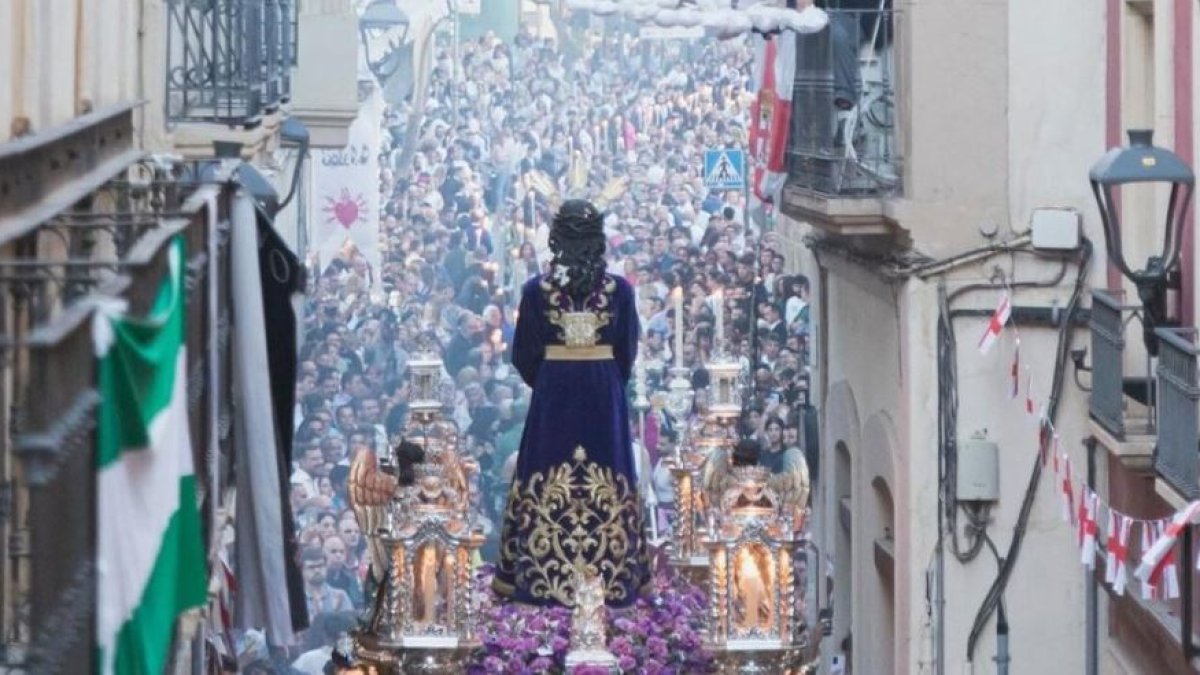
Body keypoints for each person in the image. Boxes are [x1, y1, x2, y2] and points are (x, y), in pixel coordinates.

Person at [493, 199, 651, 608]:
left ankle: (540, 577)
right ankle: (612, 574)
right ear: (598, 242)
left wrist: (552, 378)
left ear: (555, 240)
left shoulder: (535, 292)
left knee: (546, 469)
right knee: (607, 470)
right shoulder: (620, 291)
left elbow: (524, 355)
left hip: (555, 396)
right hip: (603, 396)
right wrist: (602, 379)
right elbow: (626, 351)